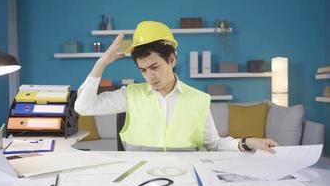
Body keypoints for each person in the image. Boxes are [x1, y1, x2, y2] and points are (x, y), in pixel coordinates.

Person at [75, 21, 278, 152]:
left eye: (154, 67)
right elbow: (83, 107)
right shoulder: (129, 95)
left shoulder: (198, 99)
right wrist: (100, 64)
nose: (150, 76)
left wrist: (247, 142)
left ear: (171, 59)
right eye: (143, 70)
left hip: (186, 176)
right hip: (140, 178)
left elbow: (214, 145)